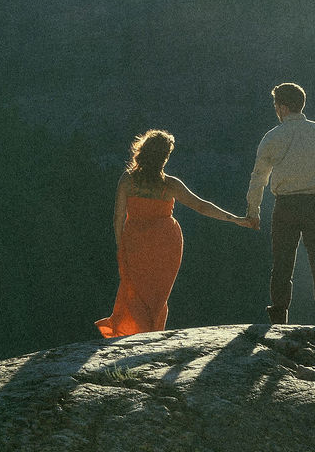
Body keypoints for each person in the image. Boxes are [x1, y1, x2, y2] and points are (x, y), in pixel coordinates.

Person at [97, 129, 253, 338]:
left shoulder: (128, 180)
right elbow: (201, 206)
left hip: (135, 244)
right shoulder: (169, 185)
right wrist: (235, 219)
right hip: (165, 245)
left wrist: (121, 246)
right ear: (163, 157)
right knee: (157, 295)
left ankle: (134, 334)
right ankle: (151, 334)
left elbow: (118, 218)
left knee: (134, 290)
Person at [246, 82, 315, 328]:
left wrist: (253, 210)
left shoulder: (272, 137)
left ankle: (278, 319)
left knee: (282, 264)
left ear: (282, 107)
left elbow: (259, 176)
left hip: (285, 206)